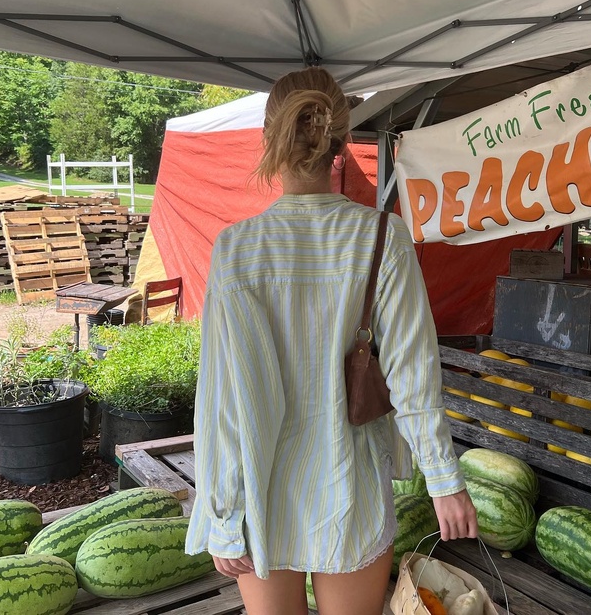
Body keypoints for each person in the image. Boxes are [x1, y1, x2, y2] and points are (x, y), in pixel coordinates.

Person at [185, 67, 477, 615]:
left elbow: (221, 400)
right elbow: (413, 375)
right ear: (342, 143)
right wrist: (443, 481)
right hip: (351, 489)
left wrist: (222, 513)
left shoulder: (235, 249)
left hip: (260, 494)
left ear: (269, 138)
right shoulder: (383, 237)